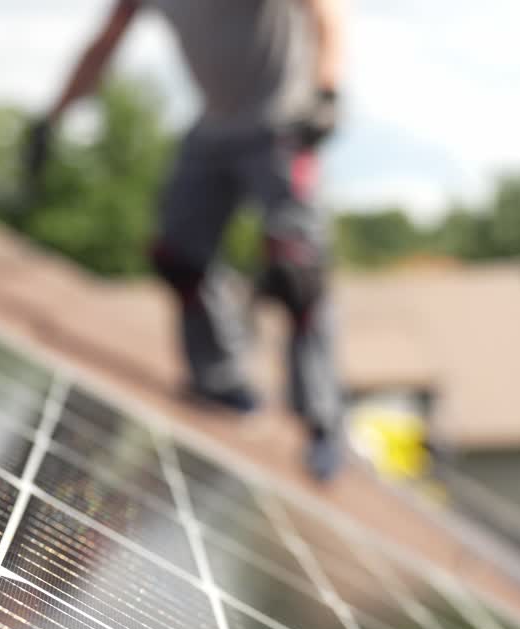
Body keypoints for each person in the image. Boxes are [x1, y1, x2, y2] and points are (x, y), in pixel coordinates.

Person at [29, 0, 347, 482]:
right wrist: (52, 118)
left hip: (282, 121)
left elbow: (328, 13)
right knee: (178, 255)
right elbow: (104, 46)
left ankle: (322, 421)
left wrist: (326, 91)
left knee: (297, 270)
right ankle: (220, 380)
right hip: (213, 128)